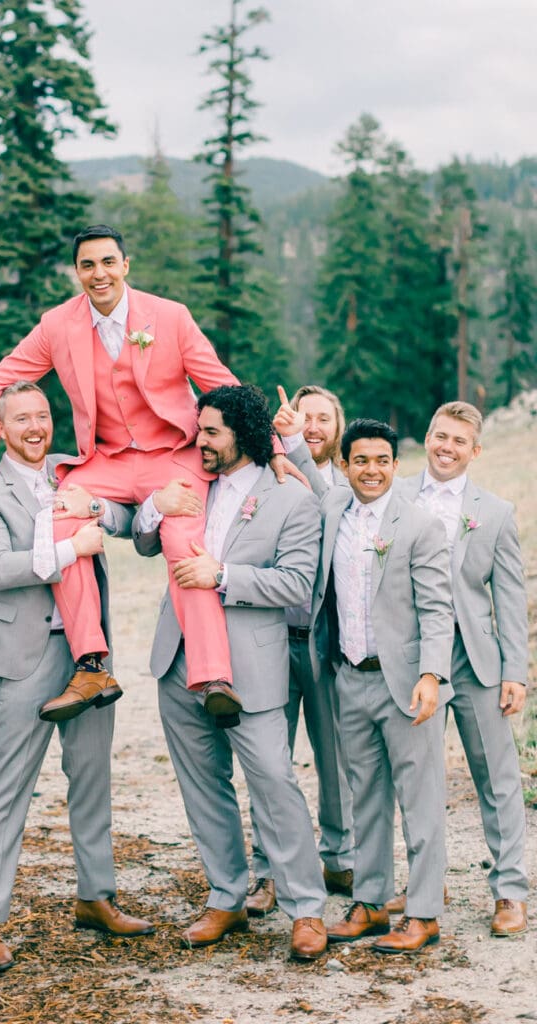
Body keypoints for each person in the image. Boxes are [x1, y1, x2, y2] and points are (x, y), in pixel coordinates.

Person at [0, 224, 291, 727]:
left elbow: (222, 383)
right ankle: (91, 664)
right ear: (77, 272)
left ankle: (212, 675)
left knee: (182, 538)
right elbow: (1, 380)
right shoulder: (56, 325)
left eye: (108, 262)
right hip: (107, 459)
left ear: (125, 265)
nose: (99, 274)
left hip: (172, 455)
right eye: (88, 265)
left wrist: (273, 448)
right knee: (62, 518)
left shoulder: (170, 317)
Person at [0, 381, 154, 971]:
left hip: (88, 655)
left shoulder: (76, 475)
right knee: (7, 786)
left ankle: (96, 896)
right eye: (21, 419)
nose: (35, 427)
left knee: (92, 778)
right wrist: (72, 552)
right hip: (22, 655)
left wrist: (93, 509)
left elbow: (122, 516)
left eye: (42, 415)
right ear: (1, 427)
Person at [133, 384, 329, 961]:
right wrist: (154, 507)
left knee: (273, 781)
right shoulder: (190, 479)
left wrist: (222, 576)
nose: (201, 440)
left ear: (244, 434)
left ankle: (306, 908)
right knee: (202, 785)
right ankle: (227, 896)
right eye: (200, 430)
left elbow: (296, 583)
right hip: (178, 660)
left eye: (212, 431)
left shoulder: (291, 499)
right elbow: (146, 539)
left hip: (251, 666)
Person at [383, 402, 529, 936]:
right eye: (440, 436)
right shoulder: (393, 496)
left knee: (497, 777)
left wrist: (515, 670)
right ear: (427, 437)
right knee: (417, 779)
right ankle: (427, 884)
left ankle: (510, 890)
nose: (447, 447)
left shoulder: (493, 512)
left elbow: (509, 599)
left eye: (459, 441)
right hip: (411, 659)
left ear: (475, 451)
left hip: (473, 660)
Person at [320, 419, 454, 954]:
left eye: (381, 461)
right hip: (349, 678)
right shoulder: (332, 512)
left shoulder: (419, 525)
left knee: (421, 801)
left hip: (405, 684)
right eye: (360, 461)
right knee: (366, 799)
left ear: (396, 466)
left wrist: (431, 676)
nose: (371, 470)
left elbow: (438, 610)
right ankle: (372, 903)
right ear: (345, 465)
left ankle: (423, 913)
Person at [245, 384, 355, 916]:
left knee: (337, 756)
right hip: (269, 640)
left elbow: (328, 511)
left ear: (338, 428)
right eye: (301, 417)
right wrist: (280, 451)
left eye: (322, 419)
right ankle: (267, 870)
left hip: (327, 644)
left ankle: (340, 854)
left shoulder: (348, 485)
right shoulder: (266, 478)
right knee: (270, 762)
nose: (311, 427)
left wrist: (291, 446)